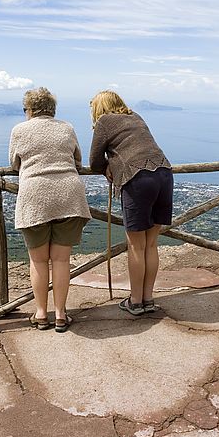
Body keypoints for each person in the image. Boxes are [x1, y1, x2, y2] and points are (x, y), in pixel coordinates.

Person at [9, 87, 91, 332]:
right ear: (52, 109)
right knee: (61, 260)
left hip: (35, 197)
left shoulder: (19, 130)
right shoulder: (66, 127)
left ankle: (41, 314)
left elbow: (14, 162)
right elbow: (77, 159)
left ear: (30, 110)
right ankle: (61, 316)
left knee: (38, 260)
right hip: (69, 194)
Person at [89, 90, 173, 315]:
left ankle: (135, 302)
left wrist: (107, 166)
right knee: (151, 244)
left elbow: (94, 161)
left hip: (139, 179)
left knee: (136, 245)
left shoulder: (105, 121)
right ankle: (147, 299)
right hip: (164, 173)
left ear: (98, 108)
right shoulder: (135, 116)